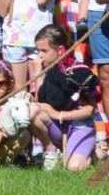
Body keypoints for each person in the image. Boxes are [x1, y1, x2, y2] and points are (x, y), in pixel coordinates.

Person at [30, 24, 100, 172]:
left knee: (73, 168)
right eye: (38, 51)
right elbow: (41, 101)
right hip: (57, 129)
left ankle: (94, 153)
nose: (39, 55)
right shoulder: (46, 70)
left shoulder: (79, 71)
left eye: (44, 51)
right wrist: (38, 73)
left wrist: (58, 115)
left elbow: (90, 110)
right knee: (31, 110)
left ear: (60, 50)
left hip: (79, 127)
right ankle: (51, 150)